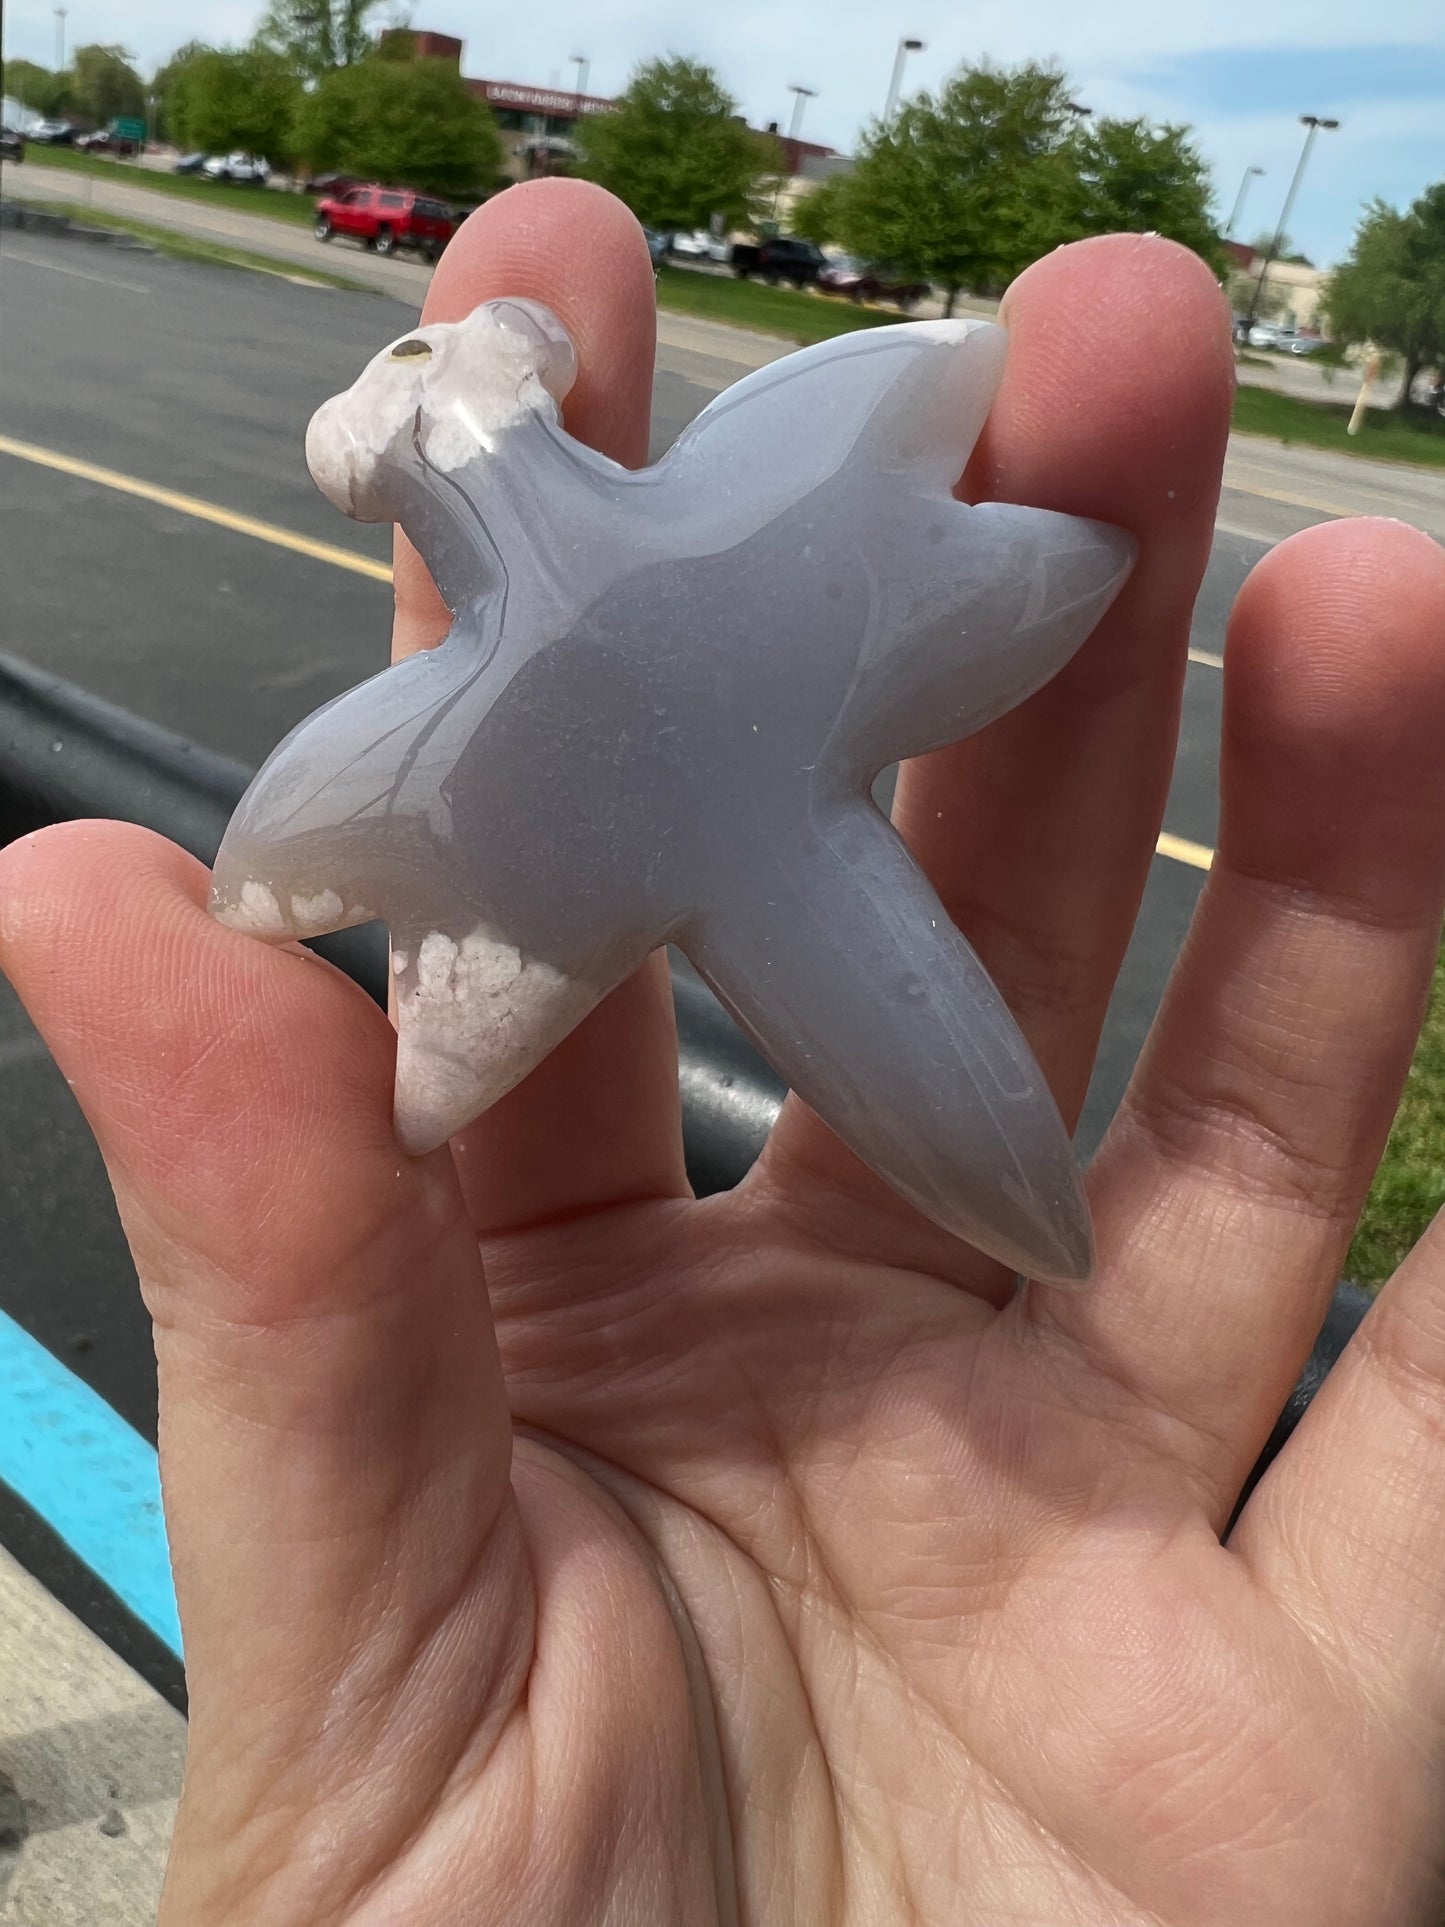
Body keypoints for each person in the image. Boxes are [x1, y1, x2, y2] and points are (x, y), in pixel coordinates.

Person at [2, 179, 1445, 1926]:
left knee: (950, 1092)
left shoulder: (752, 493)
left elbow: (1032, 558)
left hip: (784, 862)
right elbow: (319, 889)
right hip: (753, 877)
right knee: (943, 1097)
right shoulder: (738, 495)